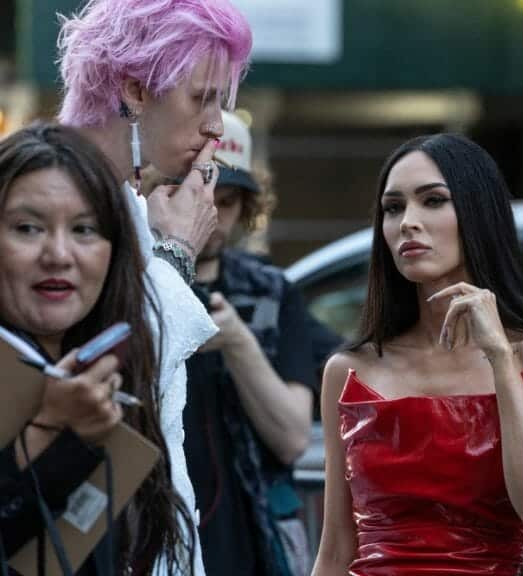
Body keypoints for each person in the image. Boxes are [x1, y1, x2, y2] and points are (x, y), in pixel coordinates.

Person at [312, 133, 523, 575]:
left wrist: (499, 356)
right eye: (393, 207)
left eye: (433, 201)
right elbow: (335, 548)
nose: (407, 223)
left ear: (479, 214)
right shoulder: (349, 370)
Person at [56, 2, 252, 573]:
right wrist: (176, 254)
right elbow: (116, 376)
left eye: (221, 101)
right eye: (202, 98)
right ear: (135, 89)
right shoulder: (61, 203)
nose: (217, 125)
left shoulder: (128, 207)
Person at [0, 123, 192, 575]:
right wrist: (48, 429)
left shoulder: (115, 374)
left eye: (84, 229)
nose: (59, 254)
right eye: (28, 228)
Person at [182, 111, 342, 576]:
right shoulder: (138, 283)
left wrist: (237, 342)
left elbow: (293, 438)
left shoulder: (271, 292)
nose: (211, 214)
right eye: (201, 193)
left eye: (228, 201)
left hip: (252, 533)